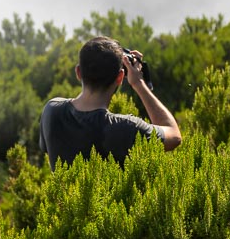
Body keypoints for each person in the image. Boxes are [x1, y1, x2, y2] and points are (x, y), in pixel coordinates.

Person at [39, 36, 182, 166]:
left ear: (78, 72)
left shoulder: (52, 110)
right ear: (120, 78)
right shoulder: (128, 129)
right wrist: (139, 84)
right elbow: (174, 136)